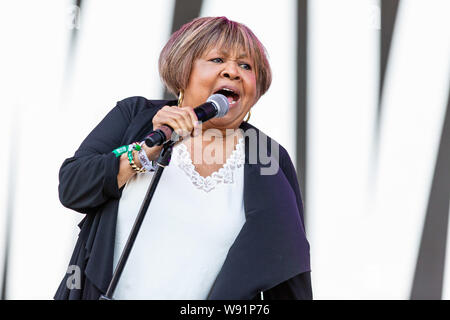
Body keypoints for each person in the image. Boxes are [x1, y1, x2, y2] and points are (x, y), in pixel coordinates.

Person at [54, 16, 312, 300]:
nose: (233, 72)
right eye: (217, 60)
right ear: (184, 69)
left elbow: (288, 267)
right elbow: (73, 188)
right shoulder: (135, 117)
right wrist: (145, 150)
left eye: (246, 65)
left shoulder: (269, 158)